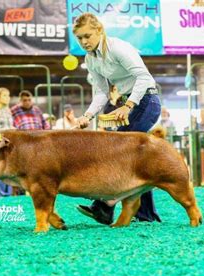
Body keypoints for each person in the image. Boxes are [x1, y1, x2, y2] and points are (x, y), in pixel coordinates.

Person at [74, 13, 161, 225]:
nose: (84, 42)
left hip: (147, 102)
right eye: (79, 38)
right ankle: (145, 215)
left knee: (121, 152)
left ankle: (106, 205)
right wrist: (87, 116)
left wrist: (128, 106)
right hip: (128, 104)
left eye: (87, 36)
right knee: (135, 158)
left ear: (99, 30)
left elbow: (144, 77)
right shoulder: (90, 58)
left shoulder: (118, 48)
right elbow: (102, 92)